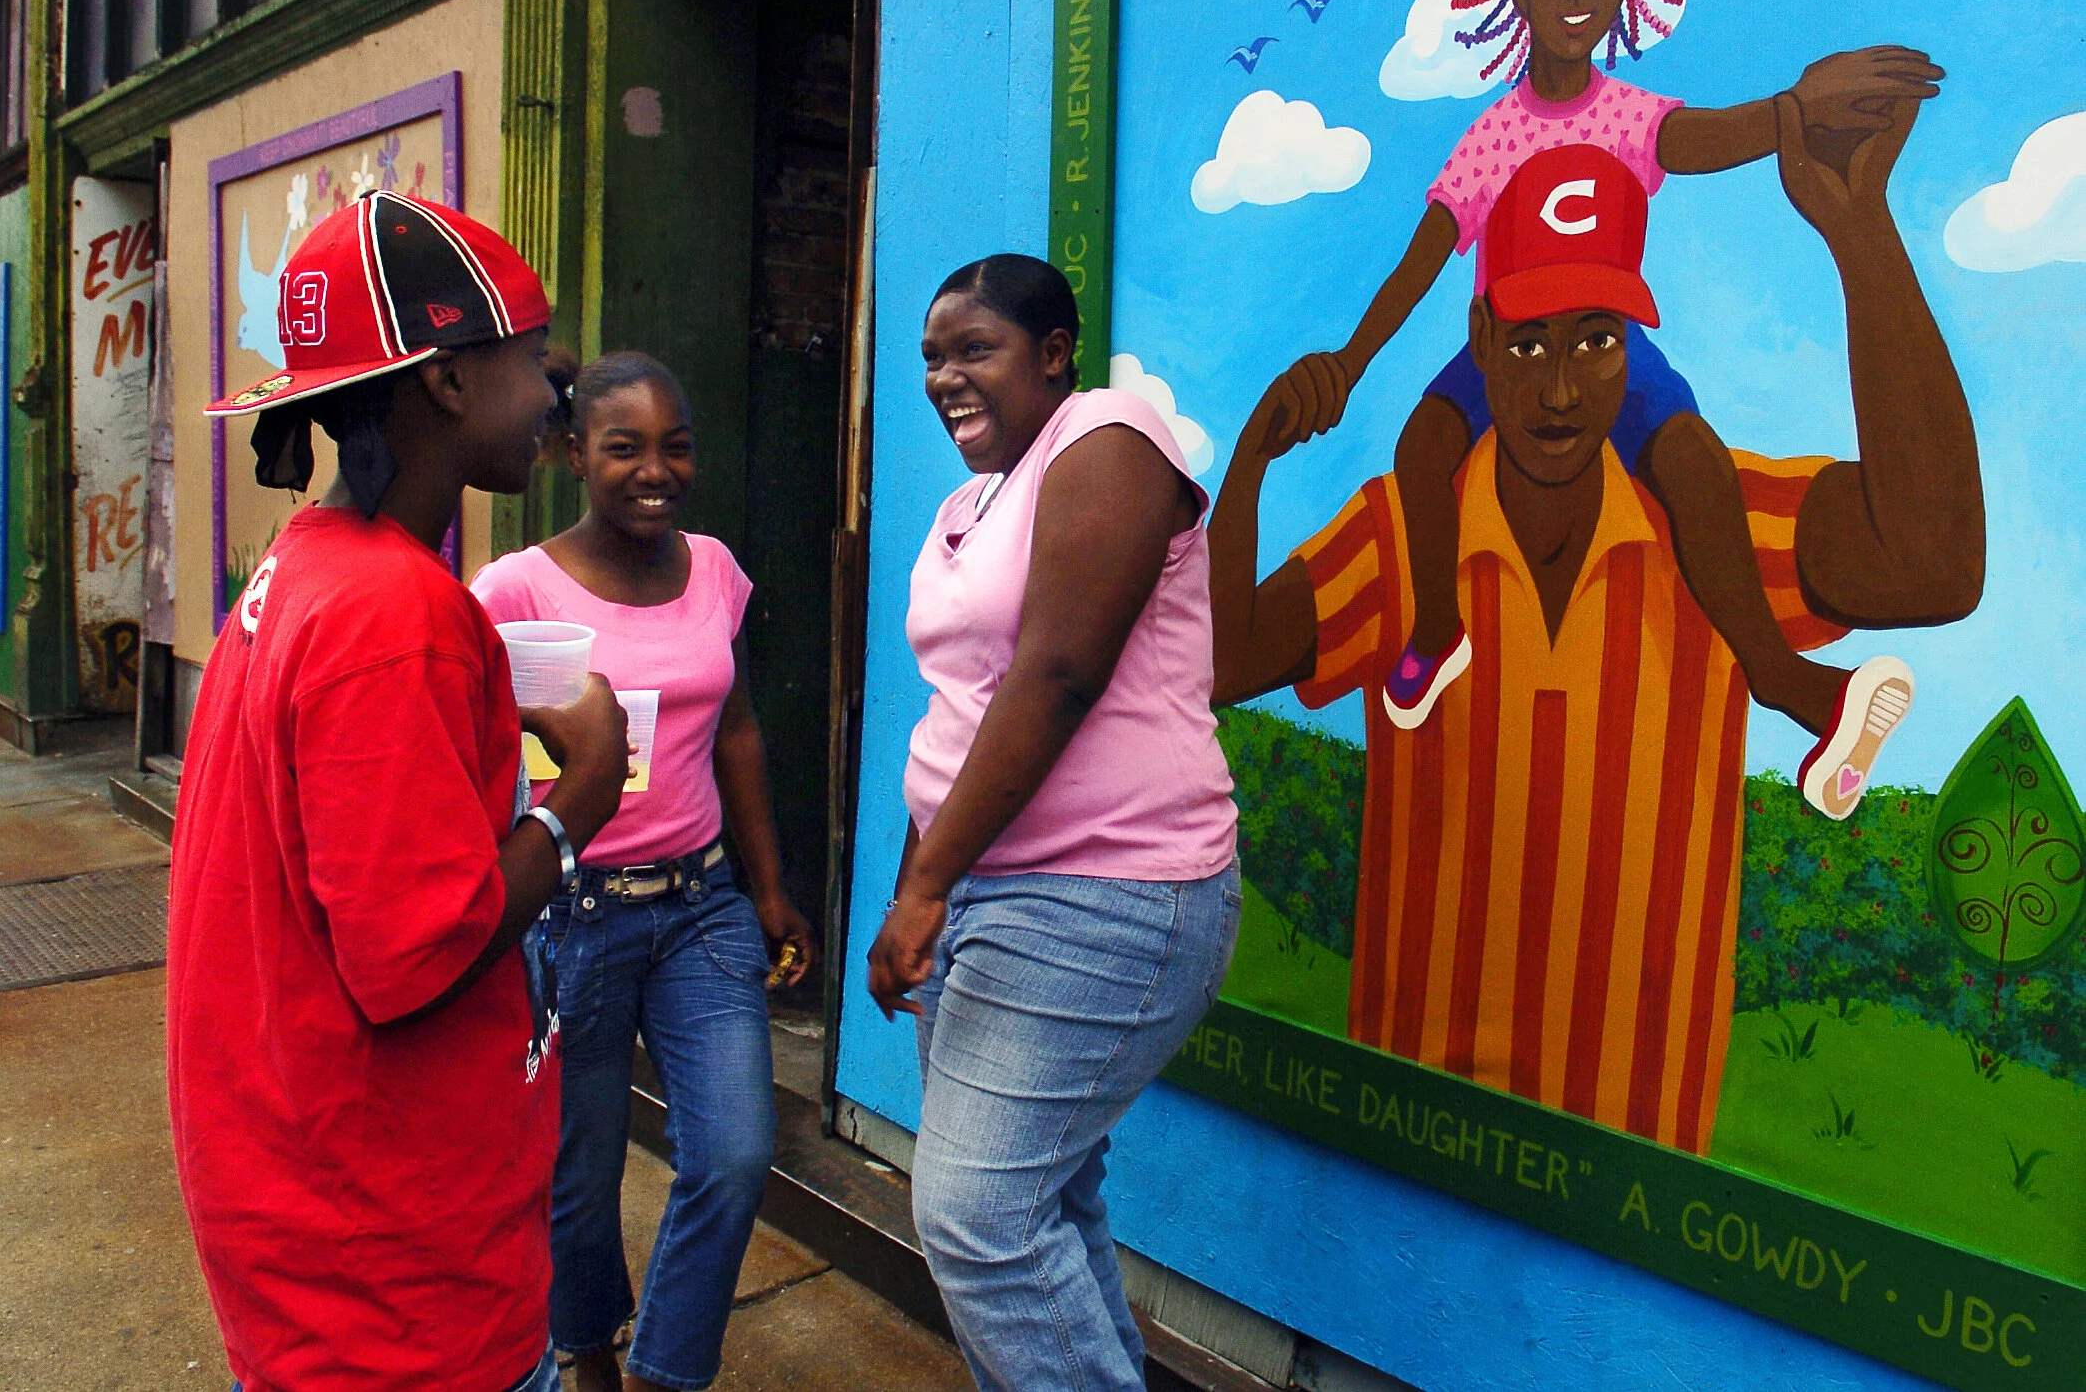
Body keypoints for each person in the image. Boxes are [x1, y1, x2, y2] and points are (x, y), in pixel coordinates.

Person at [1209, 107, 1982, 1151]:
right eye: (1526, 343)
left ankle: (1806, 692)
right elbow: (1215, 665)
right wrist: (1247, 470)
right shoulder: (1397, 539)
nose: (1561, 387)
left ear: (1633, 347)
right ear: (1478, 341)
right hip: (1409, 1144)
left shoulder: (1710, 539)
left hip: (1639, 1161)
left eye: (1595, 340)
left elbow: (1931, 560)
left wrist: (1858, 233)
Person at [1276, 0, 1941, 818]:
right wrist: (1348, 362)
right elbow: (1421, 261)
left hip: (1607, 347)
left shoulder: (1627, 116)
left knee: (1695, 465)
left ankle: (1797, 686)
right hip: (1501, 352)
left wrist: (1796, 112)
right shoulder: (1494, 136)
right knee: (1421, 448)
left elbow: (1708, 139)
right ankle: (1435, 629)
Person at [167, 191, 631, 1392]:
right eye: (532, 361)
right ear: (444, 380)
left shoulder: (310, 565)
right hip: (392, 1286)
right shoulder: (395, 615)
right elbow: (418, 958)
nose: (551, 399)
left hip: (310, 1217)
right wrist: (574, 799)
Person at [865, 254, 1241, 1391]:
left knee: (978, 1215)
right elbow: (963, 712)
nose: (945, 377)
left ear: (1053, 353)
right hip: (983, 891)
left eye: (972, 349)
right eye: (931, 356)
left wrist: (927, 887)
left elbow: (1060, 671)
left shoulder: (1111, 442)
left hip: (1108, 892)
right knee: (1041, 1202)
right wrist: (916, 886)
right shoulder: (967, 504)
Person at [472, 351, 816, 1392]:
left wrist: (765, 887)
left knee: (733, 1154)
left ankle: (666, 1369)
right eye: (623, 447)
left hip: (699, 905)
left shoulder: (712, 567)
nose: (653, 470)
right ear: (574, 452)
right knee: (576, 1176)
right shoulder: (513, 589)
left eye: (675, 446)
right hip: (568, 914)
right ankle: (585, 1355)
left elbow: (738, 733)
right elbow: (474, 758)